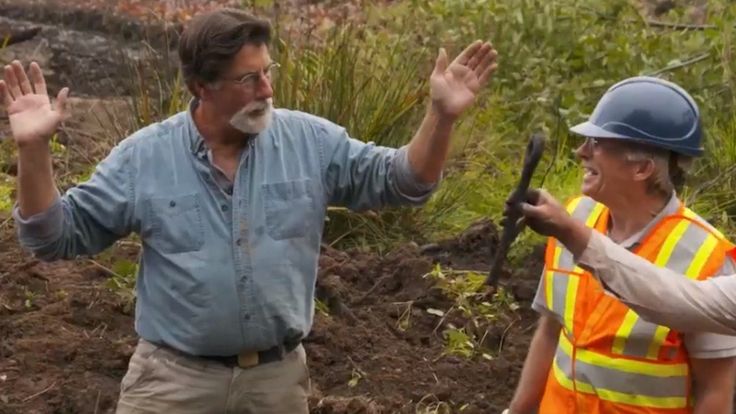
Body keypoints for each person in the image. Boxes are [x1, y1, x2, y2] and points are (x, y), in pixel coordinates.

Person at [0, 8, 498, 414]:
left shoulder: (309, 142)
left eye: (267, 72)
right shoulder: (144, 158)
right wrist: (33, 149)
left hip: (275, 384)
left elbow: (403, 182)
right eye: (248, 79)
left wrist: (440, 116)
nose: (267, 91)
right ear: (202, 87)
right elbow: (53, 237)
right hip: (172, 384)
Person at [506, 76, 736, 414]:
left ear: (642, 168)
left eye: (597, 143)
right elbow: (551, 333)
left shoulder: (706, 255)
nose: (581, 151)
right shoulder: (573, 218)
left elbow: (715, 391)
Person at [511, 187, 736, 337]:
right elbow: (669, 298)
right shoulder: (581, 212)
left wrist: (571, 232)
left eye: (598, 143)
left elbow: (672, 300)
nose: (582, 152)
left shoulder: (707, 250)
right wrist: (570, 232)